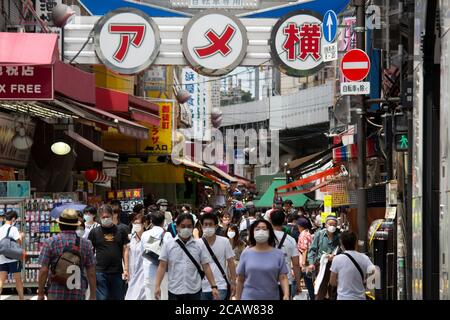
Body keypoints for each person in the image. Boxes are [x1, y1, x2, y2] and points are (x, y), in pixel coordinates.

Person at [154, 213, 220, 300]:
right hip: (174, 290)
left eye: (189, 226)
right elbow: (162, 266)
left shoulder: (199, 245)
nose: (186, 229)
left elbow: (206, 266)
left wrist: (213, 286)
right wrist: (157, 286)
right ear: (177, 227)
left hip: (194, 291)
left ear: (193, 228)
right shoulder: (168, 245)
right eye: (183, 226)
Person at [37, 209, 96, 300]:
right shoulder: (86, 244)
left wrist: (40, 293)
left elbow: (44, 270)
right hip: (78, 292)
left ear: (60, 225)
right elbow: (91, 272)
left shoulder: (50, 242)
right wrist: (93, 295)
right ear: (76, 226)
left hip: (55, 292)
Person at [235, 219, 289, 300]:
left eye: (264, 229)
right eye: (257, 229)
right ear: (252, 233)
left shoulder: (278, 254)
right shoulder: (246, 253)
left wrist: (286, 295)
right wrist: (237, 298)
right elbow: (240, 279)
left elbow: (283, 277)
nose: (261, 231)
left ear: (269, 232)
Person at [88, 205, 130, 300]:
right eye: (103, 217)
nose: (106, 219)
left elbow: (125, 250)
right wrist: (90, 269)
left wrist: (126, 269)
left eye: (107, 216)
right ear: (99, 218)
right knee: (102, 298)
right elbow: (90, 251)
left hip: (117, 272)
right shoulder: (94, 232)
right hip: (100, 271)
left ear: (112, 216)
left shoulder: (121, 231)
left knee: (118, 297)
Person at [199, 213, 236, 300]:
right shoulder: (197, 244)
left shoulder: (224, 241)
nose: (208, 227)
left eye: (210, 224)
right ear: (201, 226)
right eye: (205, 224)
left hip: (220, 285)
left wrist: (233, 282)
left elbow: (231, 262)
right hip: (201, 286)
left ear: (216, 226)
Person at [330, 231, 375, 300]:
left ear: (341, 243)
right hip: (360, 298)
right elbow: (374, 273)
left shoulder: (337, 259)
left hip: (343, 298)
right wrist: (366, 282)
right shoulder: (364, 258)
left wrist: (343, 283)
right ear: (356, 243)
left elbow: (332, 282)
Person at [307, 215, 340, 300]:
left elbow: (342, 250)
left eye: (334, 225)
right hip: (321, 265)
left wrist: (335, 256)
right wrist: (311, 263)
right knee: (320, 288)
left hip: (335, 266)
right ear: (325, 225)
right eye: (330, 224)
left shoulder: (339, 236)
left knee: (333, 289)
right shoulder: (319, 234)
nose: (332, 226)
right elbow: (312, 250)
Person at [270, 209, 301, 299]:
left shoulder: (265, 239)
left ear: (270, 221)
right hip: (287, 281)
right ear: (284, 220)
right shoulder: (291, 240)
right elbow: (296, 264)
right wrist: (298, 284)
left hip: (268, 280)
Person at [142, 211, 171, 300]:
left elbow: (143, 252)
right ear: (163, 222)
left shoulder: (145, 234)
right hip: (163, 275)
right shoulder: (167, 234)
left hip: (148, 272)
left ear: (151, 221)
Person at [0, 211, 25, 300]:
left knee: (1, 280)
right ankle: (21, 298)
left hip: (2, 258)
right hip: (13, 258)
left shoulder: (0, 229)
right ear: (13, 219)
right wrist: (21, 236)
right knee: (18, 279)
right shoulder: (13, 229)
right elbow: (18, 243)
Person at [124, 214, 146, 300]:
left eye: (138, 223)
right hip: (132, 272)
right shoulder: (130, 237)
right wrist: (126, 269)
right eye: (134, 223)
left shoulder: (148, 237)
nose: (136, 225)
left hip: (143, 273)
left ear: (144, 224)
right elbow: (126, 252)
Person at [297, 217, 315, 300]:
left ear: (300, 226)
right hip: (309, 259)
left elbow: (304, 249)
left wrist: (303, 263)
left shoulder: (303, 234)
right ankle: (312, 296)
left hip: (305, 260)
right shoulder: (308, 233)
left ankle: (312, 297)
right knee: (308, 281)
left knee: (307, 281)